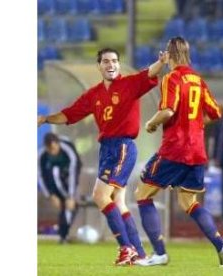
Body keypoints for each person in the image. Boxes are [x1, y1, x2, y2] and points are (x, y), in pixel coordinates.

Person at [37, 48, 166, 265]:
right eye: (106, 61)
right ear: (100, 66)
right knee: (118, 202)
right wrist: (46, 119)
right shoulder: (93, 94)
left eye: (115, 60)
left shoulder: (130, 84)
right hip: (107, 149)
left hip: (122, 147)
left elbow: (150, 73)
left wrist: (161, 62)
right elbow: (69, 115)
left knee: (99, 195)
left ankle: (126, 249)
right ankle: (140, 253)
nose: (111, 64)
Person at [134, 37, 223, 267]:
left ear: (168, 55)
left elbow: (168, 111)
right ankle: (222, 246)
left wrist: (151, 123)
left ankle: (159, 253)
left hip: (174, 149)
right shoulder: (198, 80)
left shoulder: (172, 78)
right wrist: (196, 125)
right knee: (188, 201)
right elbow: (216, 112)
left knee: (142, 194)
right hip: (196, 152)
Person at [38, 132, 82, 244]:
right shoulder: (42, 155)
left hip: (69, 178)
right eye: (50, 149)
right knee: (63, 205)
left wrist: (71, 196)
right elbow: (41, 176)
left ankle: (64, 235)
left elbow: (74, 172)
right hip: (54, 181)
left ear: (58, 144)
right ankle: (63, 236)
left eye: (54, 148)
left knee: (71, 205)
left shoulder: (68, 151)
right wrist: (50, 195)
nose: (53, 152)